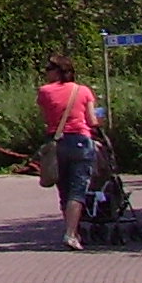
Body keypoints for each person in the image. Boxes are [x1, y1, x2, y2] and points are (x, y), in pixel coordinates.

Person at [37, 56, 102, 252]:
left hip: (57, 143)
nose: (46, 72)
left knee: (63, 189)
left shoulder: (44, 92)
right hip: (81, 141)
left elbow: (46, 118)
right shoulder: (82, 91)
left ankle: (72, 229)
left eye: (49, 68)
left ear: (57, 71)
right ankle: (71, 234)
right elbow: (92, 120)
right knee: (78, 189)